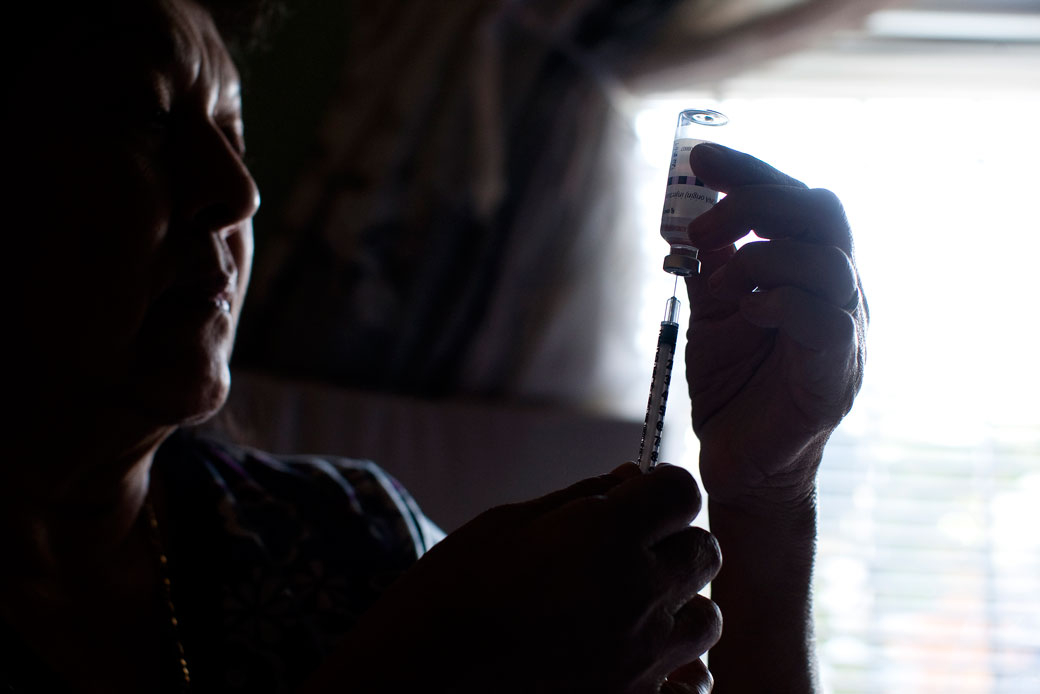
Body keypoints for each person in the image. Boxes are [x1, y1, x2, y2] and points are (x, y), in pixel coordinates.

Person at [0, 0, 866, 692]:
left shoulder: (348, 536)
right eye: (145, 122)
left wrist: (767, 497)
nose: (237, 193)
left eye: (232, 127)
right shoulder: (433, 623)